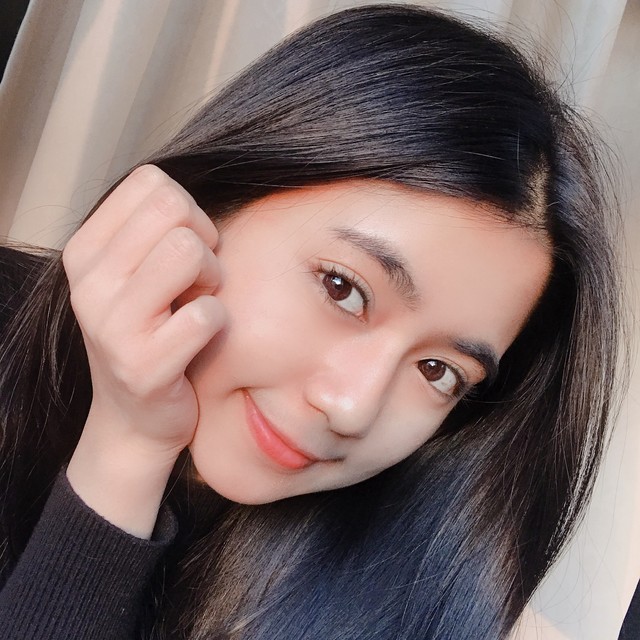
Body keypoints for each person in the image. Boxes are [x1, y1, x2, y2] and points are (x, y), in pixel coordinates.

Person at [0, 4, 626, 639]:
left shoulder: (405, 590)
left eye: (439, 371)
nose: (352, 408)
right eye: (343, 289)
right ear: (212, 203)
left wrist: (127, 447)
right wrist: (127, 443)